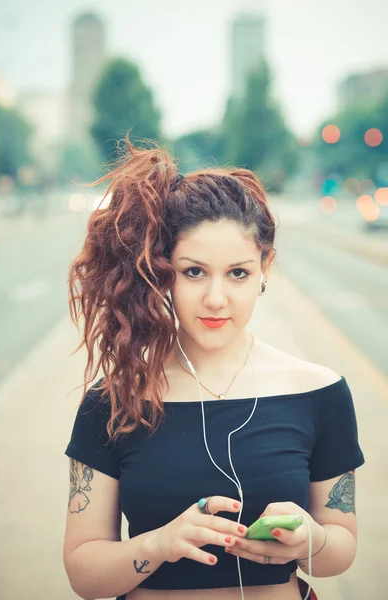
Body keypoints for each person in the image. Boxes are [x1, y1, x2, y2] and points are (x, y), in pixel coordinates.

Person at [63, 135, 365, 600]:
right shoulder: (113, 401)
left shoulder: (320, 393)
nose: (216, 299)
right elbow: (84, 573)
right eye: (194, 272)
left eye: (238, 273)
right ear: (163, 273)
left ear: (266, 267)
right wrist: (160, 544)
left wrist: (312, 541)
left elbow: (340, 549)